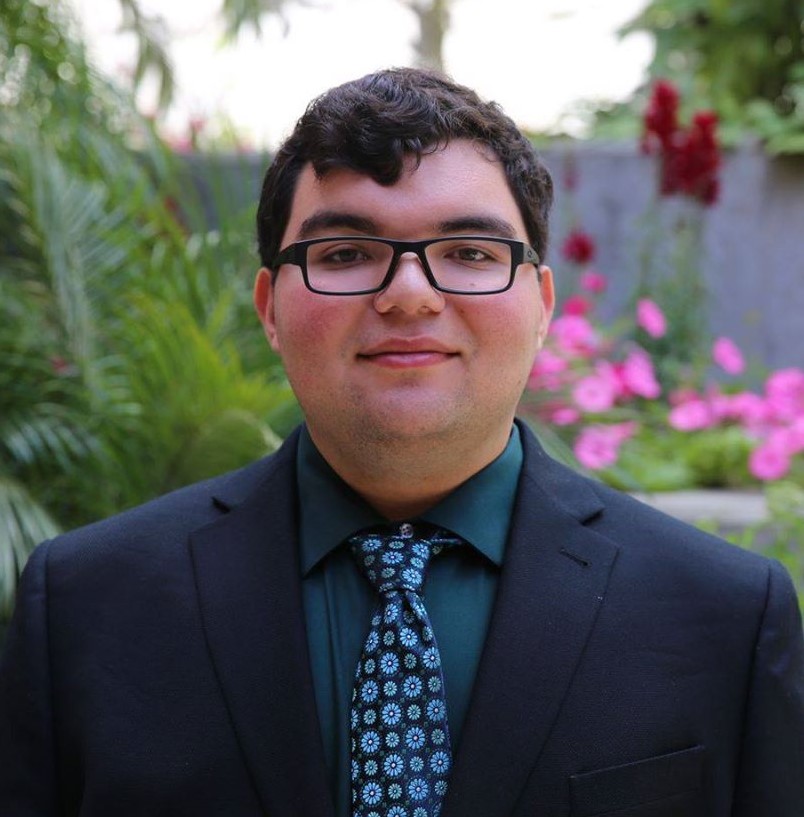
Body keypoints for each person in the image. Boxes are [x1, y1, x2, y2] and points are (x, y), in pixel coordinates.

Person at [0, 67, 802, 817]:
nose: (409, 295)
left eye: (470, 253)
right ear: (270, 307)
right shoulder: (85, 606)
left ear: (542, 304)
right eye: (346, 254)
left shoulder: (725, 615)